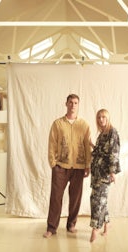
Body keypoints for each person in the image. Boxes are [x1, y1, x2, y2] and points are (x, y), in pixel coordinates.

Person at [43, 94, 91, 238]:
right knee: (56, 198)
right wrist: (53, 163)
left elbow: (87, 146)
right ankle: (51, 228)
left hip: (79, 167)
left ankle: (71, 224)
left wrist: (87, 165)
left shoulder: (84, 125)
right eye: (71, 102)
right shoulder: (57, 124)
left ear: (78, 105)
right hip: (61, 167)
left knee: (75, 198)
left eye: (76, 103)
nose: (73, 105)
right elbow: (52, 144)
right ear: (66, 104)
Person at [89, 109, 121, 242]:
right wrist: (91, 144)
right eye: (99, 117)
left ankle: (95, 230)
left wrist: (112, 172)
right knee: (101, 200)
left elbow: (114, 153)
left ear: (108, 118)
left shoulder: (112, 132)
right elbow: (98, 152)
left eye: (103, 117)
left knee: (97, 201)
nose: (101, 119)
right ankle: (107, 225)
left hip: (105, 173)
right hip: (96, 172)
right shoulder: (102, 134)